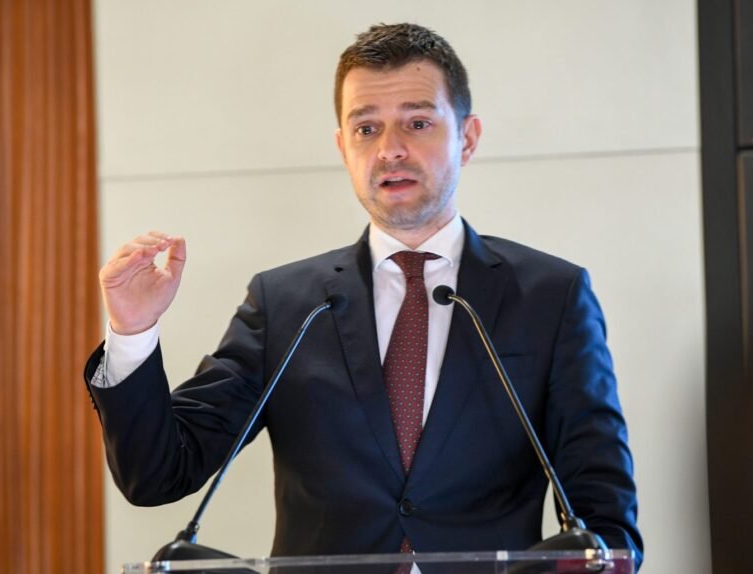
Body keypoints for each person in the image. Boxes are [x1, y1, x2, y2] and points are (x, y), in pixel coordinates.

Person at [84, 22, 643, 569]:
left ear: (467, 137)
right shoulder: (285, 305)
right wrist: (132, 332)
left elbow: (607, 525)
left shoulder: (551, 296)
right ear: (342, 146)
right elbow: (158, 475)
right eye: (366, 128)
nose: (390, 150)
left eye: (417, 123)